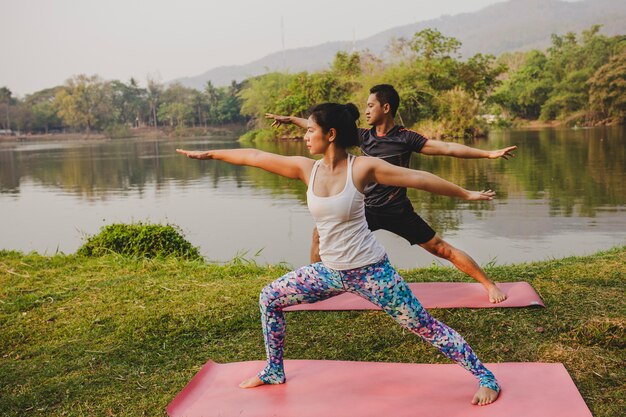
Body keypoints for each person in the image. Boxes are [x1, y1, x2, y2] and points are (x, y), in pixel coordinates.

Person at [177, 102, 500, 406]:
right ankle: (274, 370)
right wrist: (210, 154)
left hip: (372, 273)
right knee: (269, 297)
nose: (304, 136)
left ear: (330, 134)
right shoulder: (307, 169)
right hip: (328, 272)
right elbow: (253, 155)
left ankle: (486, 378)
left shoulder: (362, 168)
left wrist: (465, 193)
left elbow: (419, 179)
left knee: (425, 326)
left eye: (309, 130)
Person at [266, 84, 517, 303]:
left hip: (397, 209)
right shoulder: (363, 136)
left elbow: (447, 147)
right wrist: (293, 120)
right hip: (366, 210)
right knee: (319, 233)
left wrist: (487, 154)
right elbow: (326, 128)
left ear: (386, 108)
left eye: (370, 105)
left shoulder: (406, 138)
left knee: (441, 248)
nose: (366, 111)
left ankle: (489, 284)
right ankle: (317, 284)